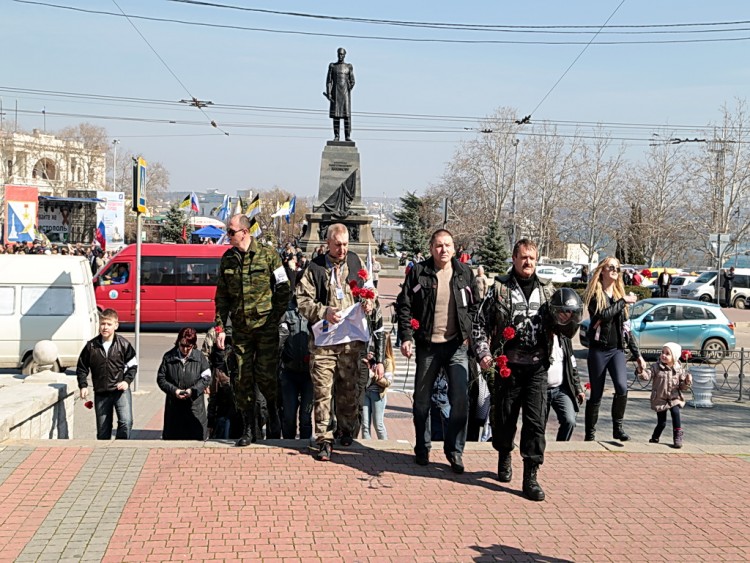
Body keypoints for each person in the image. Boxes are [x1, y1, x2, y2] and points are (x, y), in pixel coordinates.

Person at [473, 238, 555, 502]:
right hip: (508, 368)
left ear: (537, 259)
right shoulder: (499, 289)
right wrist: (484, 353)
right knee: (504, 420)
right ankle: (504, 453)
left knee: (535, 423)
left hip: (537, 368)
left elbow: (564, 328)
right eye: (523, 257)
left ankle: (530, 476)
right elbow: (479, 325)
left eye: (532, 257)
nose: (528, 262)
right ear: (514, 259)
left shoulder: (548, 291)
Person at [397, 228, 480, 474]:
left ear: (455, 248)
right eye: (439, 246)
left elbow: (475, 308)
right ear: (432, 248)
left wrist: (468, 334)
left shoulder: (465, 273)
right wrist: (407, 337)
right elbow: (405, 306)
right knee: (422, 401)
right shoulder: (419, 272)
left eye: (448, 245)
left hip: (456, 346)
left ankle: (455, 451)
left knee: (460, 401)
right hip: (428, 346)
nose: (443, 250)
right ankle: (422, 447)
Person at [296, 223, 382, 461]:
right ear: (328, 244)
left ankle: (346, 430)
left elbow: (370, 290)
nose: (343, 249)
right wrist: (323, 311)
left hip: (350, 344)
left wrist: (369, 303)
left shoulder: (356, 263)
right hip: (324, 344)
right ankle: (324, 438)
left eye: (345, 244)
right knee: (323, 393)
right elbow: (302, 301)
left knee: (348, 391)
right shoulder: (315, 268)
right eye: (338, 245)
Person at [214, 214, 291, 446]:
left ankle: (275, 418)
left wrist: (274, 318)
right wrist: (220, 327)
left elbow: (284, 289)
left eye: (231, 232)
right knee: (242, 379)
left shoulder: (269, 256)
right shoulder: (228, 259)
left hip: (266, 329)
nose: (228, 236)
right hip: (241, 331)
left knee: (267, 378)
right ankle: (249, 428)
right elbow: (221, 297)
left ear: (245, 232)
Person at [583, 258, 648, 443]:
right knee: (596, 393)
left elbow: (626, 330)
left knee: (622, 387)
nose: (614, 270)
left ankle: (617, 428)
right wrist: (622, 301)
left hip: (616, 350)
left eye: (617, 268)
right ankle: (590, 434)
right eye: (611, 267)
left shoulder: (619, 295)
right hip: (598, 350)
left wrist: (638, 356)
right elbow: (602, 315)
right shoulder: (595, 294)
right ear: (602, 270)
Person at [76, 308, 137, 440]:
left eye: (109, 324)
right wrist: (83, 385)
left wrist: (126, 381)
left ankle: (121, 447)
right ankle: (105, 453)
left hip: (120, 391)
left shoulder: (124, 345)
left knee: (126, 422)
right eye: (103, 324)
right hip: (101, 393)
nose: (105, 327)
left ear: (116, 325)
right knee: (103, 432)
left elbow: (133, 366)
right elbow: (82, 367)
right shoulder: (91, 346)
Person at [543, 288, 585, 442]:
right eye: (563, 313)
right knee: (538, 426)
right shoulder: (542, 333)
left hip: (561, 388)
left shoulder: (565, 338)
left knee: (570, 421)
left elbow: (572, 364)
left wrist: (577, 387)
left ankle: (561, 447)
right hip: (542, 389)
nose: (567, 317)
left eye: (571, 314)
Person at [156, 327, 212, 441]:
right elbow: (161, 379)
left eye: (189, 347)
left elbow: (206, 378)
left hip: (195, 409)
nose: (185, 350)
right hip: (174, 410)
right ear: (178, 342)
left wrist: (193, 390)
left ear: (193, 345)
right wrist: (174, 391)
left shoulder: (200, 357)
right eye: (182, 346)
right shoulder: (168, 357)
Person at [638, 342, 692, 448]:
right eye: (662, 352)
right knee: (662, 423)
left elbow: (682, 387)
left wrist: (687, 381)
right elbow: (647, 376)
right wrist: (640, 371)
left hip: (674, 397)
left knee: (675, 412)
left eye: (667, 353)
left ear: (674, 357)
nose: (663, 355)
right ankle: (655, 437)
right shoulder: (656, 367)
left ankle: (677, 436)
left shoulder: (679, 369)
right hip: (660, 398)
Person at [278, 303, 314, 440]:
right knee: (288, 416)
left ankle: (305, 445)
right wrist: (283, 353)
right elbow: (278, 339)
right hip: (289, 373)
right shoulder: (287, 313)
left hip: (308, 375)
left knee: (305, 417)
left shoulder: (313, 311)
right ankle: (288, 443)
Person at [361, 334, 395, 440]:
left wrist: (373, 375)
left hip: (378, 395)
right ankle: (366, 449)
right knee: (365, 425)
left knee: (378, 424)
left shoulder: (387, 361)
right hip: (366, 393)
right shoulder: (371, 357)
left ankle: (384, 447)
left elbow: (387, 382)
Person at [324, 47, 355, 142]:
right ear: (337, 54)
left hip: (345, 94)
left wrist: (349, 87)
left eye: (342, 54)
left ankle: (347, 136)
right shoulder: (332, 66)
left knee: (346, 115)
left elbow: (352, 81)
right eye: (339, 54)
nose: (341, 56)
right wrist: (329, 92)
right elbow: (329, 81)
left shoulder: (348, 66)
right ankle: (336, 135)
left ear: (345, 55)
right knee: (336, 115)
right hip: (335, 93)